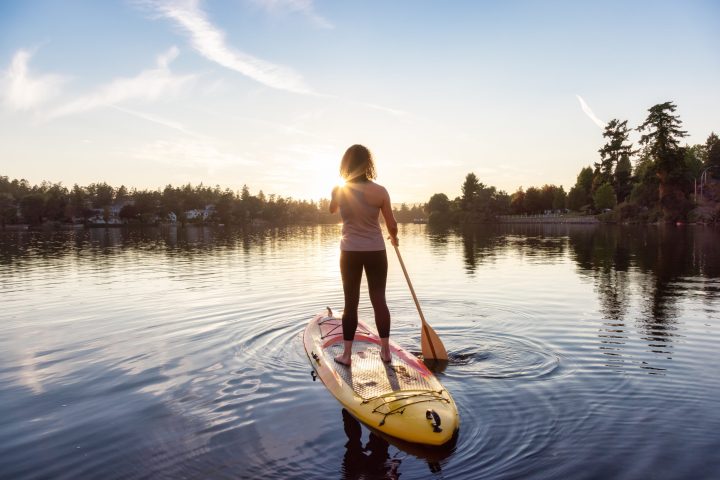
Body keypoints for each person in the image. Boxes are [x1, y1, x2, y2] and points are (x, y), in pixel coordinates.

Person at [330, 144, 398, 366]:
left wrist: (337, 191)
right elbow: (391, 224)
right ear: (368, 164)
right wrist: (394, 237)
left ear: (346, 164)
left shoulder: (340, 190)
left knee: (351, 303)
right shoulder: (380, 191)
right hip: (376, 251)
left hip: (350, 252)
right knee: (379, 300)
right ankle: (386, 352)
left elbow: (332, 209)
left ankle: (347, 356)